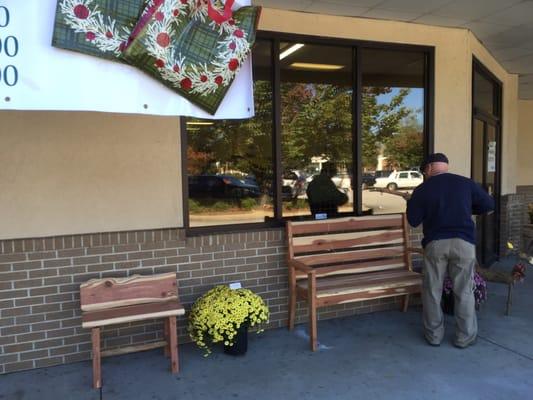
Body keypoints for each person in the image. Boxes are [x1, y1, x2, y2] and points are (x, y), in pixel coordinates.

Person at [406, 153, 494, 349]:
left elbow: (413, 220)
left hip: (436, 244)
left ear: (429, 168)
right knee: (464, 290)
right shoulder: (465, 183)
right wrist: (467, 209)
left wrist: (410, 202)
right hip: (464, 243)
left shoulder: (422, 189)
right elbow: (488, 205)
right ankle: (465, 337)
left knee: (432, 290)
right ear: (445, 166)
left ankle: (434, 336)